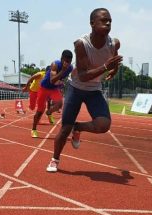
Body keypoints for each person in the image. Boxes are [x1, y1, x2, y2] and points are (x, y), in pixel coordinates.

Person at [46, 8, 123, 172]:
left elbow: (114, 58)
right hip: (77, 87)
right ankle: (55, 159)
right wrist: (105, 67)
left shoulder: (114, 43)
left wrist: (114, 70)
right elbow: (82, 76)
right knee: (65, 128)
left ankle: (79, 127)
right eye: (104, 20)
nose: (108, 23)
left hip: (94, 89)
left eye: (110, 20)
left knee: (104, 125)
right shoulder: (81, 44)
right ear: (92, 23)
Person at [31, 50, 73, 138]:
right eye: (65, 61)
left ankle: (49, 112)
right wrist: (62, 71)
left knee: (60, 103)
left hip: (54, 89)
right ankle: (34, 129)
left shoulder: (70, 68)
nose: (67, 63)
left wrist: (61, 82)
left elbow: (62, 79)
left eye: (69, 62)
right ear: (61, 59)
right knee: (39, 111)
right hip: (44, 87)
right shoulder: (55, 64)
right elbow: (52, 80)